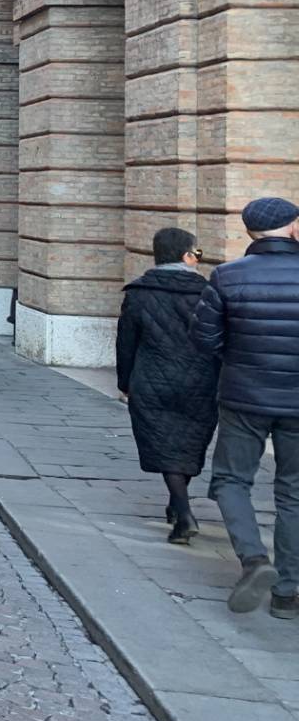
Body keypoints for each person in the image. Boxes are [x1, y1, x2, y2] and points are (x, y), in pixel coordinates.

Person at [191, 197, 299, 619]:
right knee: (293, 492)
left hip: (244, 396)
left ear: (250, 232)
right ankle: (287, 593)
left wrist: (236, 358)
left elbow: (204, 339)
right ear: (293, 228)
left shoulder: (228, 275)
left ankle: (254, 559)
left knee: (231, 481)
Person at [117, 226, 215, 546]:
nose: (198, 258)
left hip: (151, 381)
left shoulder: (139, 293)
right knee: (188, 443)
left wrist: (125, 382)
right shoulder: (210, 293)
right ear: (187, 256)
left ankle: (181, 509)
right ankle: (180, 505)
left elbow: (126, 344)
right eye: (198, 253)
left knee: (163, 443)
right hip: (201, 382)